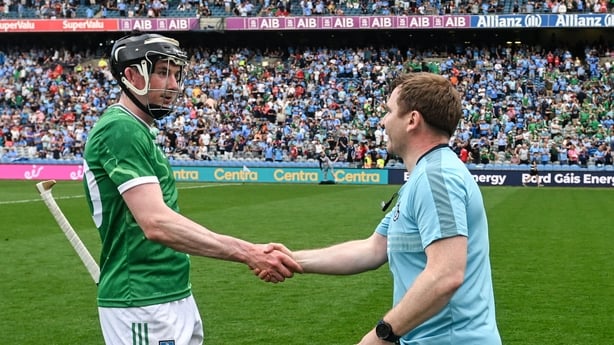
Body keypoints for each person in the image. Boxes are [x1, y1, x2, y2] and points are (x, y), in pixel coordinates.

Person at [81, 32, 302, 345]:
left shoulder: (138, 130)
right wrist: (248, 252)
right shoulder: (121, 128)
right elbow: (156, 223)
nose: (173, 85)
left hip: (169, 290)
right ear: (130, 75)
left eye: (175, 73)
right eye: (161, 72)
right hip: (143, 298)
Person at [264, 72, 502, 344]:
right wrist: (293, 260)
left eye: (389, 111)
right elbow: (373, 249)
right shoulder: (423, 175)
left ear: (412, 120)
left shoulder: (437, 177)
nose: (383, 121)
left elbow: (446, 274)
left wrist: (382, 335)